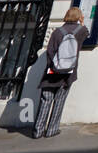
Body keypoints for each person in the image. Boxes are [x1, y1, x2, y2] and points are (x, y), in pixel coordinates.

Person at [34, 7, 89, 139]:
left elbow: (50, 52)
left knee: (46, 100)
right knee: (59, 100)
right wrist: (82, 23)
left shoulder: (57, 32)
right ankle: (52, 129)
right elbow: (87, 32)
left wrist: (54, 66)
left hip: (52, 72)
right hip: (68, 73)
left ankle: (38, 130)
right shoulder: (80, 31)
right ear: (78, 17)